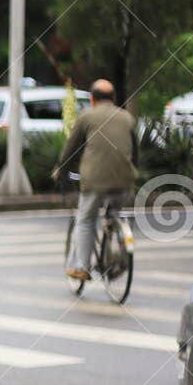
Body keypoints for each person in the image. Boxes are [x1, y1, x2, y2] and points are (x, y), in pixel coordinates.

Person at [57, 79, 137, 282]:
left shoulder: (87, 116)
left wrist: (61, 170)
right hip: (125, 181)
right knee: (115, 215)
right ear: (114, 99)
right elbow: (135, 152)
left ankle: (81, 267)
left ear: (92, 99)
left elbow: (71, 149)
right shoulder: (127, 117)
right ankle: (119, 254)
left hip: (95, 181)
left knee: (85, 220)